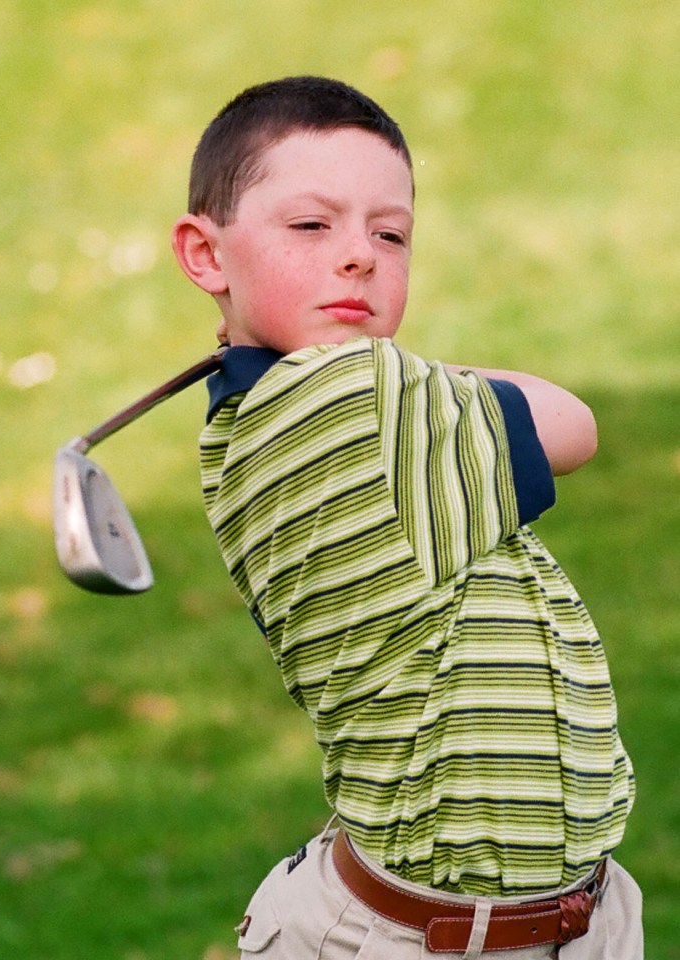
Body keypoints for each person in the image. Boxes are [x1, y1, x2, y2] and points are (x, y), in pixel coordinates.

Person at [172, 76, 642, 959]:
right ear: (205, 254)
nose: (358, 256)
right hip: (419, 939)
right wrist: (441, 381)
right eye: (311, 226)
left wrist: (431, 390)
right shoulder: (341, 395)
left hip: (545, 920)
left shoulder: (314, 404)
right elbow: (572, 422)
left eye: (389, 234)